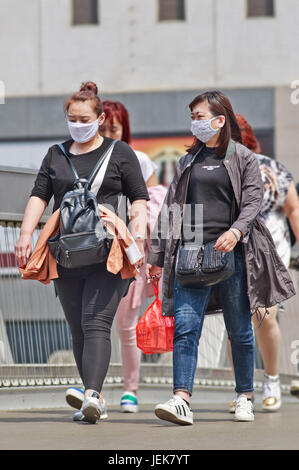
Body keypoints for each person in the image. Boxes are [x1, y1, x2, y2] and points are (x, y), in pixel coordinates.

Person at [146, 90, 295, 425]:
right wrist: (156, 257)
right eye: (193, 117)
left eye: (200, 116)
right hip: (190, 253)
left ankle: (244, 396)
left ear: (220, 119)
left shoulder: (243, 157)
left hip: (234, 254)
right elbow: (172, 209)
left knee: (240, 330)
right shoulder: (187, 161)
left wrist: (236, 232)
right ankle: (181, 398)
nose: (195, 123)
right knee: (185, 328)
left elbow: (253, 201)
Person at [14, 81, 149, 424]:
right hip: (67, 251)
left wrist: (138, 235)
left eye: (84, 118)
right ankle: (95, 397)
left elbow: (139, 199)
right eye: (71, 118)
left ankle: (91, 394)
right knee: (77, 328)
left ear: (100, 117)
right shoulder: (55, 155)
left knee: (96, 322)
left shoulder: (120, 153)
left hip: (108, 251)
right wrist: (26, 235)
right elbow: (39, 195)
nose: (77, 124)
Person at [65, 100, 167, 414]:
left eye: (116, 128)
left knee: (123, 325)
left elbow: (151, 203)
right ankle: (93, 391)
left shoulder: (137, 159)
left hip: (129, 252)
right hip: (93, 249)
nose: (110, 132)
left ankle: (129, 389)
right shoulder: (78, 154)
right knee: (91, 323)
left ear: (125, 128)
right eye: (107, 127)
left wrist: (143, 246)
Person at [227, 114, 299, 412]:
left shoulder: (270, 166)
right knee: (235, 321)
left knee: (265, 315)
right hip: (230, 249)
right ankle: (242, 390)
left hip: (270, 249)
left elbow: (292, 207)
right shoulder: (216, 167)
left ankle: (271, 379)